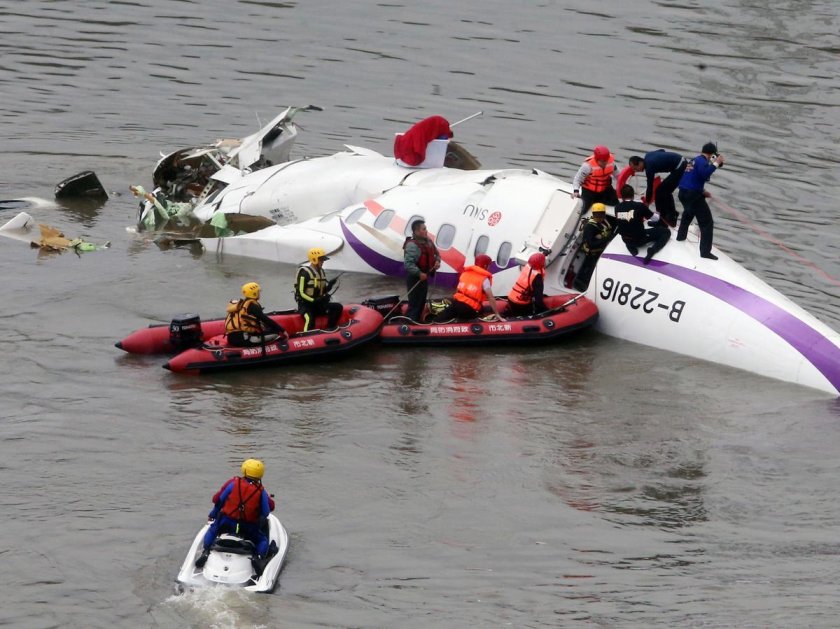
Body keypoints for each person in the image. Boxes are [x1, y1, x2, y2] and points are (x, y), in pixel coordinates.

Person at [195, 459, 275, 574]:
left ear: (245, 470)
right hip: (248, 527)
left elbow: (218, 500)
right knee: (263, 539)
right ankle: (258, 558)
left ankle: (206, 552)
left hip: (227, 522)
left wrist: (212, 515)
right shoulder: (260, 491)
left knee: (213, 530)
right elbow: (266, 512)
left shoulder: (233, 483)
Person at [676, 142, 725, 260]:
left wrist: (702, 191)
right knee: (707, 222)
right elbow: (704, 174)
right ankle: (705, 252)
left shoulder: (693, 160)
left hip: (683, 192)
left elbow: (692, 177)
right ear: (712, 154)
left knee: (689, 213)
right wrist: (716, 163)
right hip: (693, 195)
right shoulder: (702, 161)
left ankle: (680, 237)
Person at [434, 254, 506, 322]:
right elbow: (490, 298)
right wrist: (497, 314)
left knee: (439, 319)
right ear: (485, 266)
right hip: (470, 308)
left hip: (457, 303)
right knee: (468, 319)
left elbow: (457, 290)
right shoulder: (484, 279)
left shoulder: (465, 273)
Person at [626, 150, 688, 227]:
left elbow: (650, 186)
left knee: (659, 192)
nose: (636, 171)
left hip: (680, 167)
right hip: (681, 162)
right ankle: (671, 216)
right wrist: (664, 160)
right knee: (664, 191)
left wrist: (647, 202)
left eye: (636, 168)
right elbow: (662, 151)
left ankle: (663, 220)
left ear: (640, 163)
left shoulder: (649, 168)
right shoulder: (648, 155)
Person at [614, 184, 671, 265]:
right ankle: (653, 250)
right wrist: (654, 212)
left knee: (629, 229)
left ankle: (630, 247)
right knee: (666, 232)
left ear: (622, 196)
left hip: (625, 239)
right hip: (640, 239)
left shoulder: (617, 207)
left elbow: (627, 219)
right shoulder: (639, 206)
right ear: (633, 195)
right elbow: (655, 218)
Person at [225, 282, 287, 346]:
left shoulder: (241, 304)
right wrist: (283, 331)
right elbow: (266, 320)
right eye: (258, 292)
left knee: (267, 328)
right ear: (254, 293)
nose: (259, 293)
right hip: (244, 340)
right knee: (276, 332)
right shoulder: (252, 305)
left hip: (231, 339)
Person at [295, 247, 343, 331]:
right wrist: (314, 300)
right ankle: (307, 337)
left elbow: (322, 291)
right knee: (310, 318)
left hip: (318, 304)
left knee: (338, 307)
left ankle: (330, 329)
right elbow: (301, 293)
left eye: (323, 260)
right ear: (314, 259)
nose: (323, 262)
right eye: (321, 260)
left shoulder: (321, 272)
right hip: (306, 305)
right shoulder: (304, 273)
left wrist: (330, 285)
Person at [403, 219, 441, 321]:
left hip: (424, 277)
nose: (426, 231)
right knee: (415, 303)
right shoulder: (412, 246)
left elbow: (437, 254)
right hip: (415, 278)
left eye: (426, 229)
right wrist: (419, 273)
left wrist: (437, 261)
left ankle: (416, 320)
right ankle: (410, 323)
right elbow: (408, 264)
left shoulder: (428, 241)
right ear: (416, 231)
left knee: (421, 302)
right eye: (424, 229)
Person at [573, 203, 614, 292]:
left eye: (601, 213)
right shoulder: (590, 227)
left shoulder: (604, 222)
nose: (600, 216)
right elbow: (591, 244)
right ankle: (579, 284)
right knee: (588, 269)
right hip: (592, 253)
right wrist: (607, 239)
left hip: (600, 250)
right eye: (597, 214)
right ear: (594, 214)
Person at [571, 145, 618, 211]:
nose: (605, 163)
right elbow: (577, 179)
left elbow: (618, 176)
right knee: (584, 209)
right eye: (602, 161)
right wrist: (576, 191)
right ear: (596, 159)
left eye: (606, 160)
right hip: (589, 191)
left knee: (616, 204)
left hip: (605, 189)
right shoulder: (587, 166)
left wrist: (624, 187)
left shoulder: (612, 163)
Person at [507, 252, 548, 317]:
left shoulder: (528, 266)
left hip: (511, 298)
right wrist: (547, 311)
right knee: (533, 314)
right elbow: (538, 301)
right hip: (520, 304)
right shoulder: (537, 277)